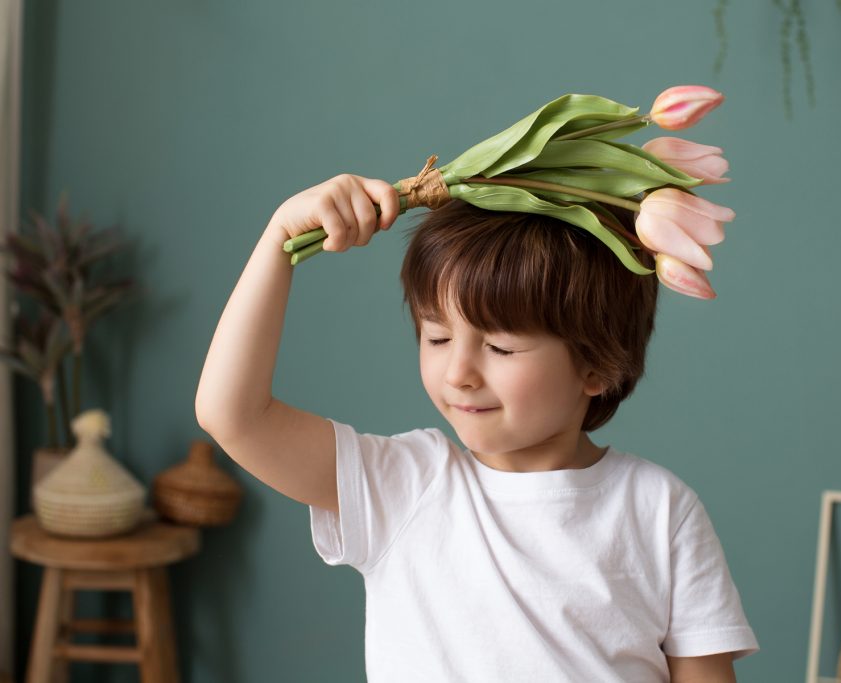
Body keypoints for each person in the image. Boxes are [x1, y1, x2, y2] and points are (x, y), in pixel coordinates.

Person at [196, 172, 759, 682]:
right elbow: (233, 415)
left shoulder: (660, 509)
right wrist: (278, 242)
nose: (459, 373)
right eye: (437, 338)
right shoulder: (402, 486)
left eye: (499, 346)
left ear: (596, 365)